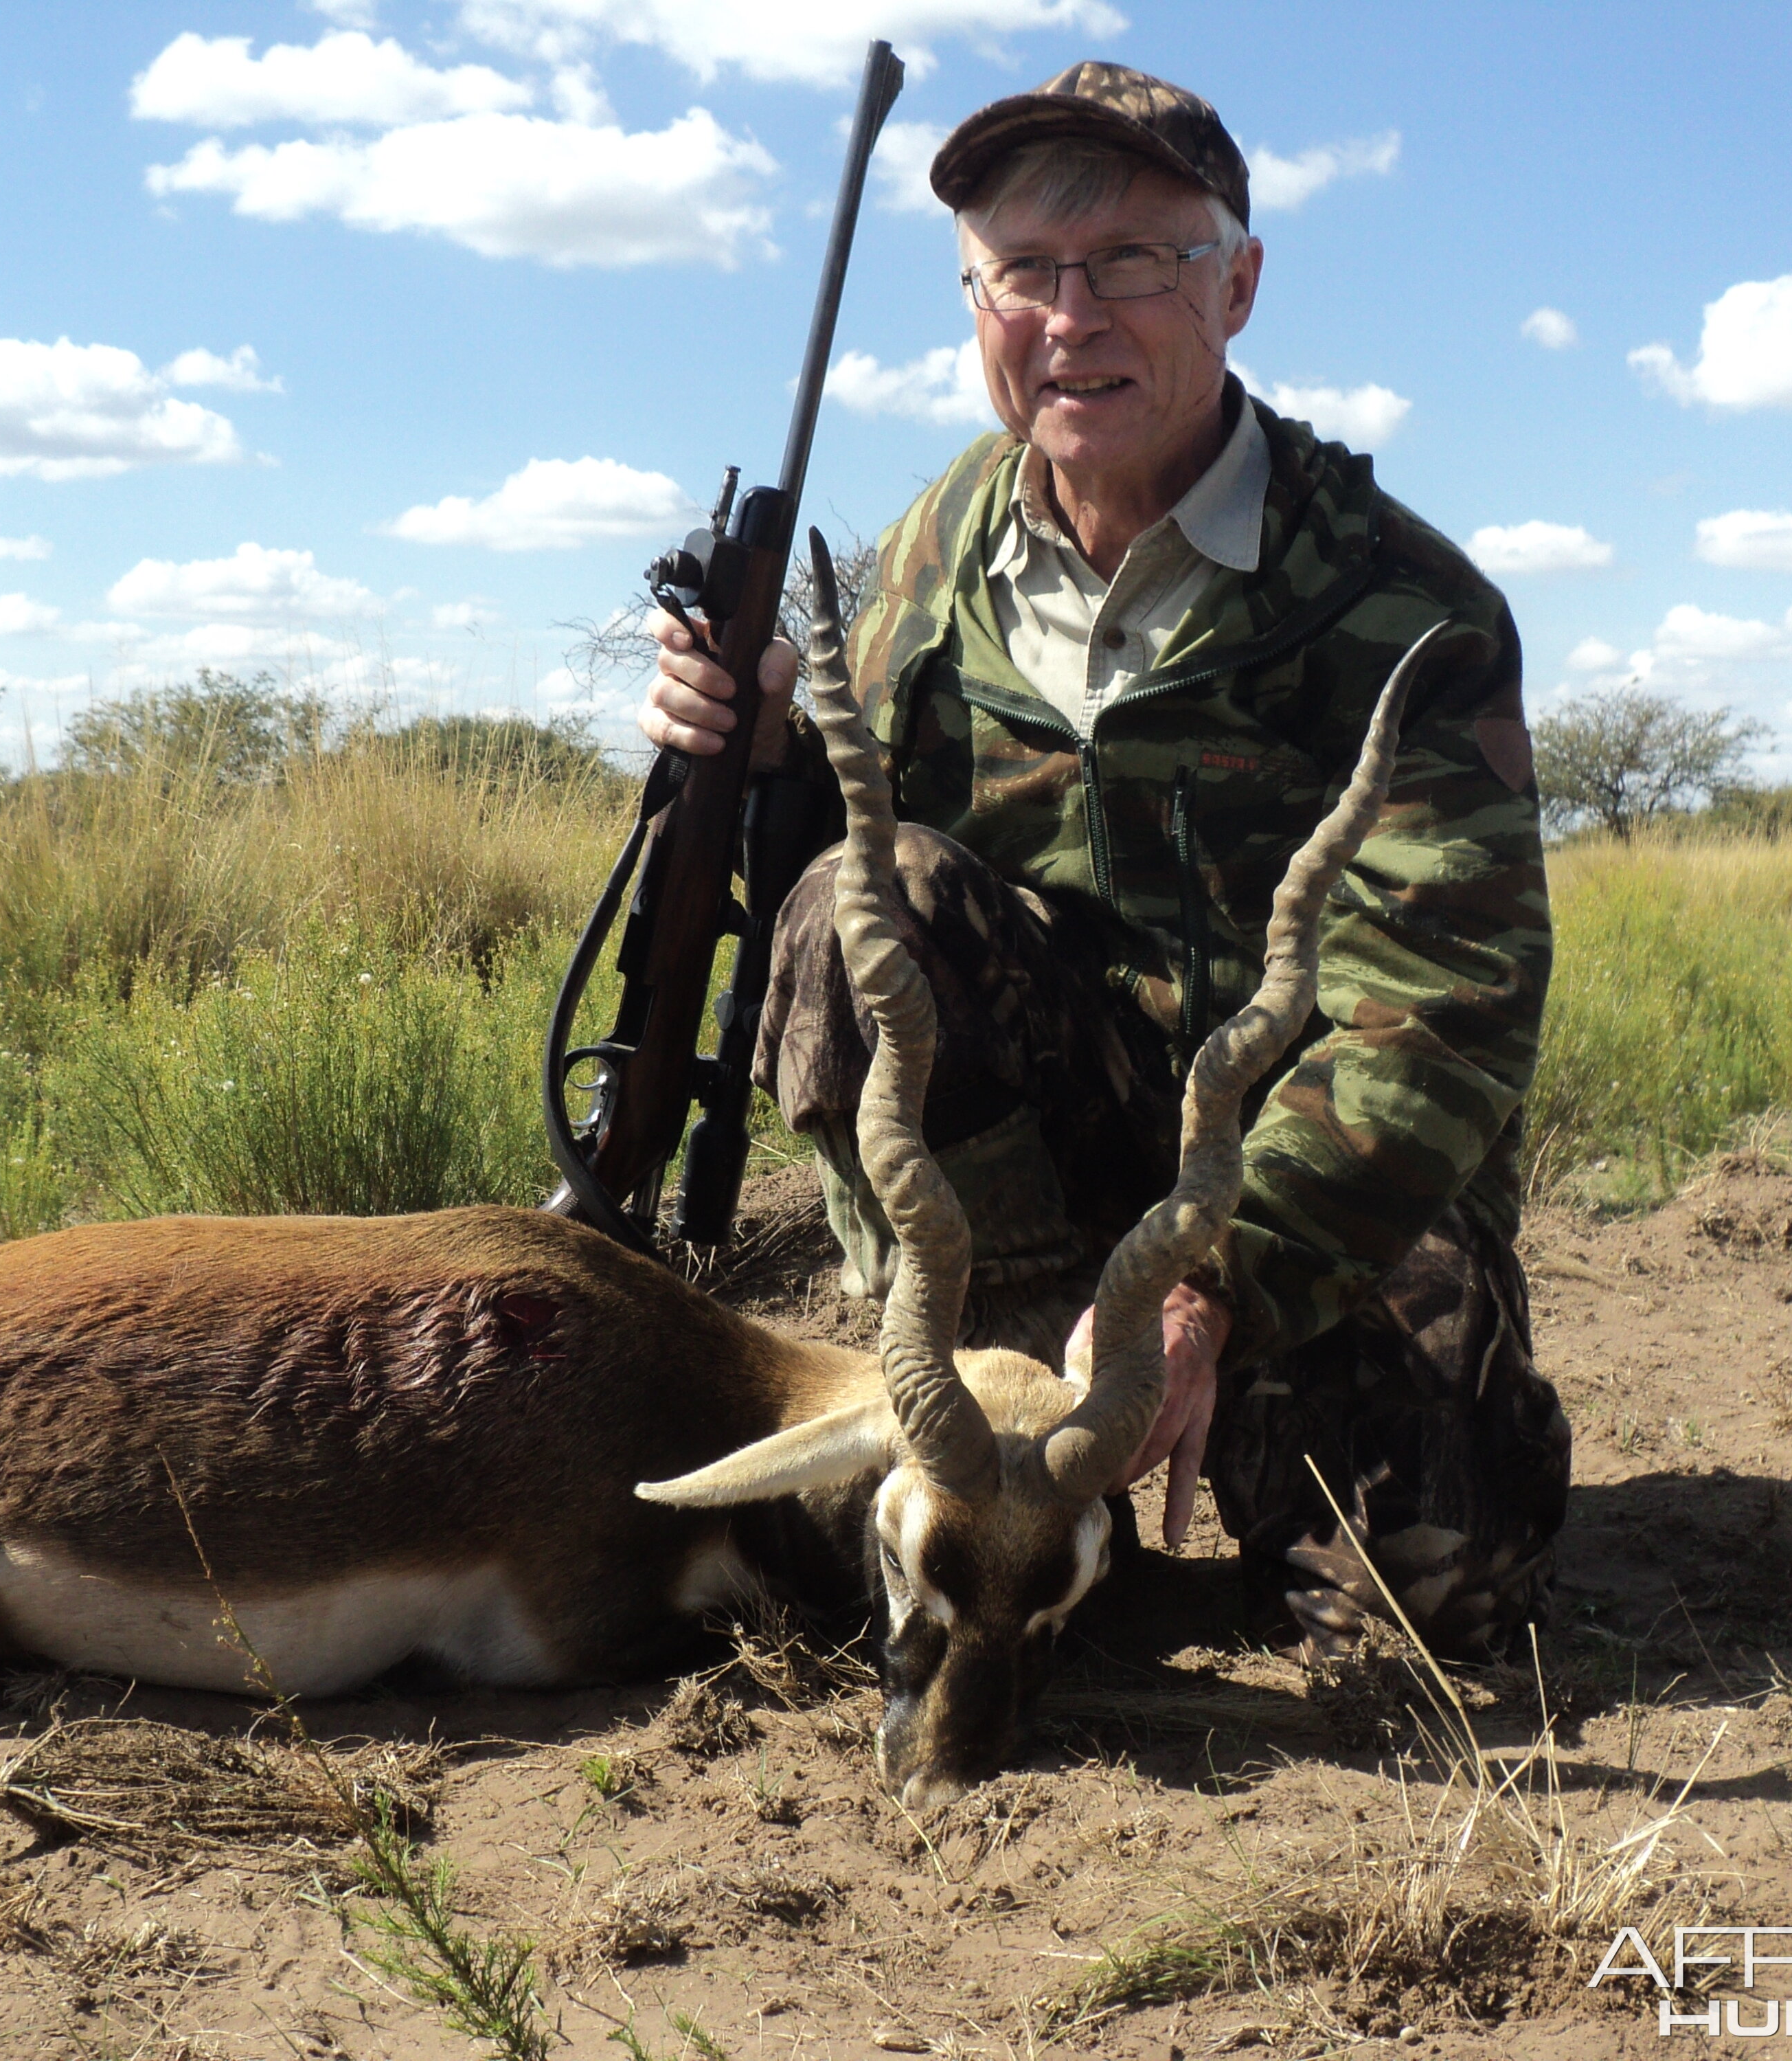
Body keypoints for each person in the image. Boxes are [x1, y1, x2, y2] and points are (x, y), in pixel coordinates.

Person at [642, 60, 1567, 1659]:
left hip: (1287, 1194)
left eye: (1132, 262)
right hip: (1033, 1192)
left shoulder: (1406, 605)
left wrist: (1203, 1285)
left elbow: (1439, 1016)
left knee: (1424, 1590)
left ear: (1237, 284)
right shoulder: (932, 555)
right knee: (866, 899)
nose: (1069, 317)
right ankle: (981, 1396)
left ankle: (1159, 1437)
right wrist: (759, 752)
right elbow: (850, 906)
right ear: (974, 300)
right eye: (1020, 272)